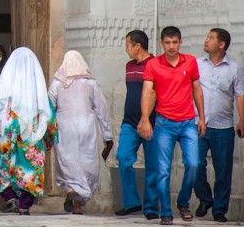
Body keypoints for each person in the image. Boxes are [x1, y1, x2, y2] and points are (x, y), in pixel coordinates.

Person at [138, 26, 206, 226]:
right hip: (164, 123)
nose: (171, 47)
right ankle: (166, 211)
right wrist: (144, 119)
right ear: (161, 43)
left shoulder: (190, 61)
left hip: (187, 123)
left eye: (175, 42)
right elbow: (147, 92)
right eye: (167, 43)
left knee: (194, 164)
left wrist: (202, 117)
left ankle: (183, 201)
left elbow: (197, 89)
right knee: (163, 170)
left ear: (180, 43)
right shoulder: (153, 65)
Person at [0, 47, 58, 216]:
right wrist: (51, 136)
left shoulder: (4, 87)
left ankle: (10, 197)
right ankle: (24, 205)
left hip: (5, 135)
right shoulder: (38, 89)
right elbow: (48, 112)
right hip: (31, 136)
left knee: (3, 167)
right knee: (30, 170)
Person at [193, 28, 244, 224]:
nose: (206, 40)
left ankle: (219, 209)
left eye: (211, 38)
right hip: (198, 123)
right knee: (194, 164)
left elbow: (240, 94)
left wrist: (242, 120)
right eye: (206, 36)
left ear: (222, 44)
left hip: (223, 126)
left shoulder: (234, 68)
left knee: (223, 170)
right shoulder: (196, 64)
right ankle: (205, 198)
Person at [48, 50, 113, 214]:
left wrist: (47, 133)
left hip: (64, 128)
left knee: (68, 163)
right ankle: (77, 204)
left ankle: (71, 192)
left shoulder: (58, 82)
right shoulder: (90, 83)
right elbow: (102, 110)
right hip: (86, 127)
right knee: (86, 163)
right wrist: (107, 135)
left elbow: (49, 108)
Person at [116, 29, 161, 220]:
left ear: (137, 46)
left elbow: (154, 93)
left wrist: (145, 119)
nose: (126, 48)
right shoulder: (129, 66)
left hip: (152, 122)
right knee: (123, 157)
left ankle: (151, 207)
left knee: (153, 165)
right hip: (129, 122)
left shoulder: (157, 64)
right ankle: (132, 202)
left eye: (127, 45)